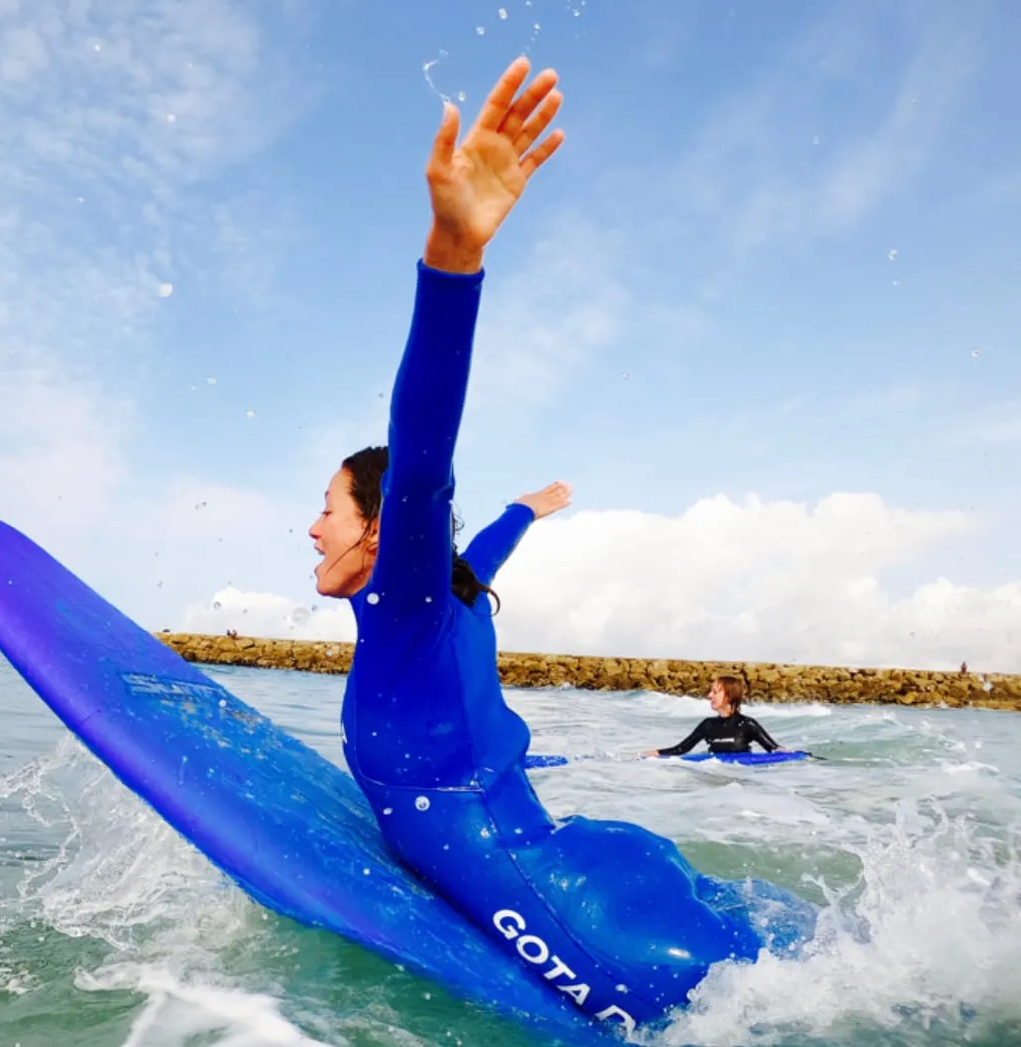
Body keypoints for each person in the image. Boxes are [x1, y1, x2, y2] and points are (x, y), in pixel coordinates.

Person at [310, 57, 768, 1034]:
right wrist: (525, 508)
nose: (312, 528)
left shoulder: (409, 598)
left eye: (332, 510)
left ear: (382, 533)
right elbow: (489, 550)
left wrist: (452, 257)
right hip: (577, 844)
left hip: (562, 900)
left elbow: (423, 453)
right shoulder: (458, 592)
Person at [649, 675, 783, 756]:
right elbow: (681, 749)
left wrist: (799, 755)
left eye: (715, 692)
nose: (709, 695)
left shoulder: (748, 725)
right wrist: (655, 753)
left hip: (741, 778)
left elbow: (774, 751)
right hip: (714, 775)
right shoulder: (708, 725)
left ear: (729, 696)